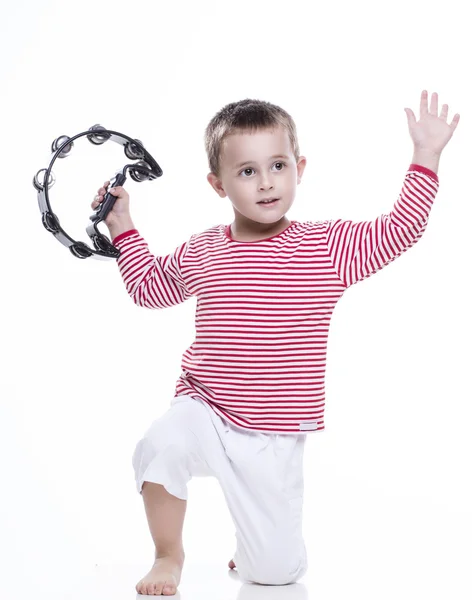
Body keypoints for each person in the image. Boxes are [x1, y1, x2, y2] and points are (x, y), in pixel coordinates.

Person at [92, 91, 459, 596]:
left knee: (276, 573)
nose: (266, 182)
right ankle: (168, 553)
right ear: (217, 185)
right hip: (205, 405)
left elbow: (400, 231)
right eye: (246, 171)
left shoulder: (327, 247)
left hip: (274, 432)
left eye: (278, 165)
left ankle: (253, 553)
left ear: (299, 168)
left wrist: (426, 157)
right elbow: (150, 288)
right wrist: (123, 229)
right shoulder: (204, 249)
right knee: (161, 445)